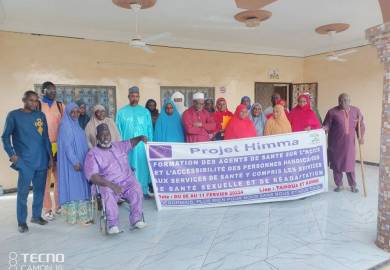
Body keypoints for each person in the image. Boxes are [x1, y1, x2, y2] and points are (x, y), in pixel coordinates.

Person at [2, 91, 52, 233]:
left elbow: (45, 138)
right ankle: (22, 222)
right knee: (23, 193)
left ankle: (36, 216)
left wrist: (49, 158)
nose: (34, 103)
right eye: (31, 100)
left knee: (40, 191)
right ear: (24, 100)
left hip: (41, 160)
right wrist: (12, 155)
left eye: (36, 101)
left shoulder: (40, 116)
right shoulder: (14, 116)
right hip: (25, 162)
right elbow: (5, 137)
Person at [84, 124, 147, 234]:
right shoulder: (93, 154)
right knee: (107, 192)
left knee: (136, 187)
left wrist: (140, 137)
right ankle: (113, 224)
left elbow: (131, 143)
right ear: (97, 137)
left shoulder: (118, 146)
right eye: (102, 135)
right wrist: (112, 185)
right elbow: (93, 176)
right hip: (108, 184)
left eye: (107, 134)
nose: (106, 136)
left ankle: (136, 219)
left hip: (127, 181)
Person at [57, 103, 92, 225]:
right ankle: (78, 218)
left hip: (81, 162)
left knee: (81, 187)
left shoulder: (77, 125)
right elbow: (67, 147)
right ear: (67, 112)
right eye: (72, 112)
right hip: (72, 165)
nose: (75, 114)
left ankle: (82, 216)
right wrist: (75, 161)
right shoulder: (65, 126)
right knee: (75, 188)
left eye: (77, 111)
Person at [323, 93, 365, 193]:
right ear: (338, 101)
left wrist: (361, 137)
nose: (343, 102)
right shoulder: (332, 112)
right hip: (335, 143)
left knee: (350, 164)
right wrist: (324, 129)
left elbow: (361, 125)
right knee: (337, 164)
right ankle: (339, 184)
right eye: (341, 100)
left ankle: (353, 185)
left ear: (350, 101)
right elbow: (326, 124)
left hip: (349, 144)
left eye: (345, 100)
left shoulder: (356, 111)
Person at [116, 86, 154, 197]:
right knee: (128, 167)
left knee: (142, 167)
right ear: (128, 97)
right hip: (127, 146)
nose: (135, 98)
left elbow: (149, 129)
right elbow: (118, 131)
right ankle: (128, 192)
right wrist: (120, 147)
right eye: (132, 96)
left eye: (137, 96)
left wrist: (150, 145)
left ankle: (143, 190)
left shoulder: (145, 112)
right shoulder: (121, 112)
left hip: (142, 147)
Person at [38, 81, 65, 221]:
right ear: (43, 91)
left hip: (58, 146)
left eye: (55, 90)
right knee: (46, 180)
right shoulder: (37, 106)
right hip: (43, 147)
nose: (54, 93)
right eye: (51, 90)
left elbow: (66, 126)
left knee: (59, 178)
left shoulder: (60, 106)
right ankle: (47, 208)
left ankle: (59, 205)